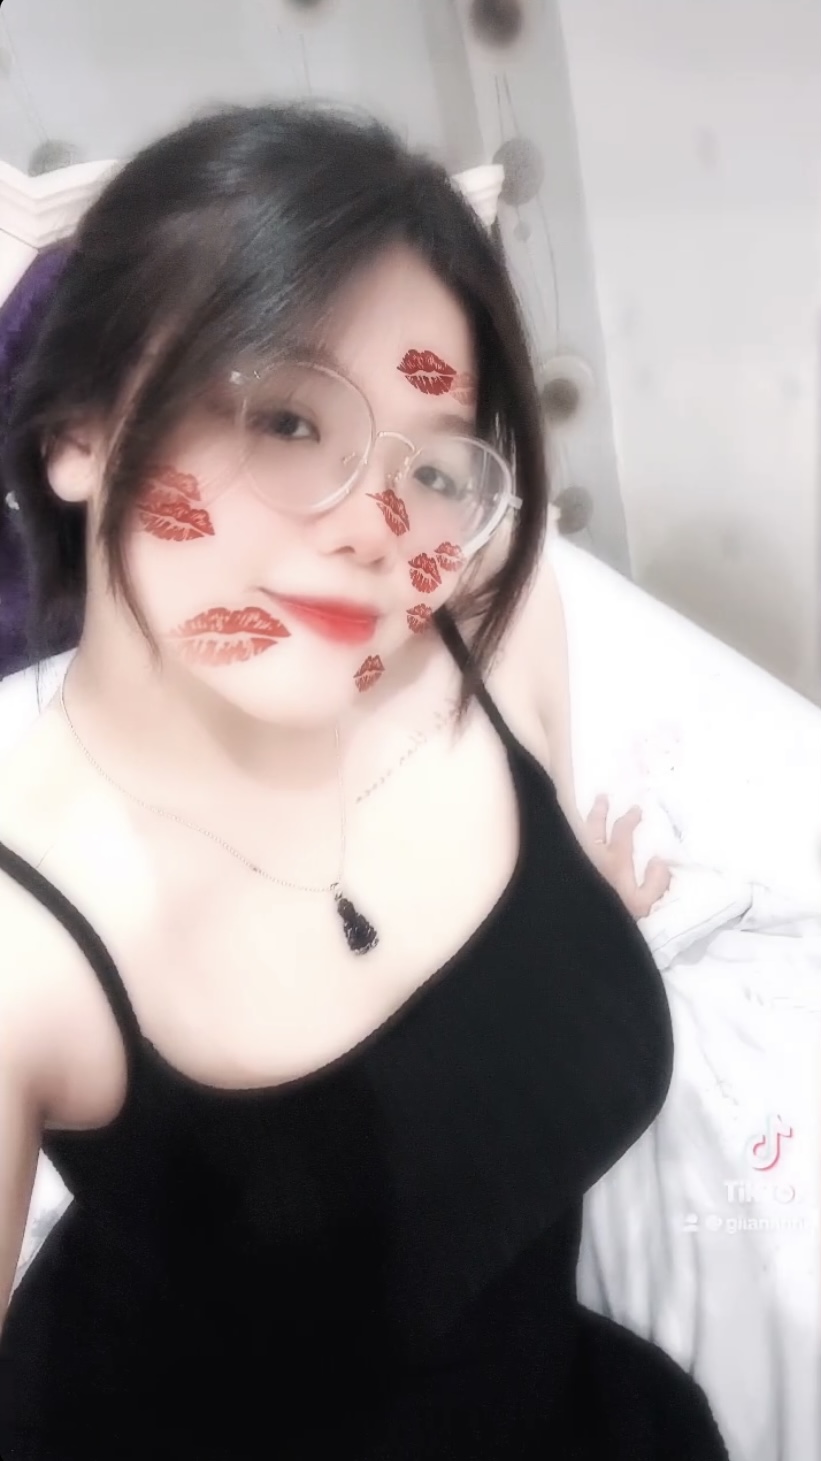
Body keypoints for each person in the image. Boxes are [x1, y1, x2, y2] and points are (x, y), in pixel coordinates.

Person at [0, 103, 727, 1459]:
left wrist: (577, 918)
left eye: (434, 462)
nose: (379, 529)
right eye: (285, 417)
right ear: (79, 431)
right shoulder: (24, 940)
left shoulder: (492, 622)